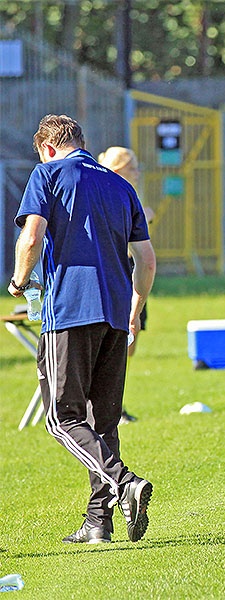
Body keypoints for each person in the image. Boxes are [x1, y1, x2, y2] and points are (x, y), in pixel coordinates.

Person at [9, 114, 156, 544]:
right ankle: (98, 523)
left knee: (61, 418)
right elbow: (145, 260)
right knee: (103, 421)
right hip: (115, 312)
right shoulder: (120, 185)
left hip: (70, 311)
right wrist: (136, 307)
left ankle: (124, 481)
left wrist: (19, 282)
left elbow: (32, 238)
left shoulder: (47, 173)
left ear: (48, 148)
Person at [97, 146, 155, 425]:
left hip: (134, 271)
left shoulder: (128, 193)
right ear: (118, 170)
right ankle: (107, 408)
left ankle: (112, 404)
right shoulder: (104, 192)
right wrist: (144, 215)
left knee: (130, 340)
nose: (138, 172)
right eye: (133, 167)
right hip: (114, 274)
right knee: (116, 340)